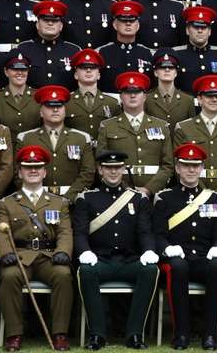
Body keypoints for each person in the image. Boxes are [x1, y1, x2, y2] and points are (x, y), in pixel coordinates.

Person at [74, 150, 160, 350]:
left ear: (123, 169)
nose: (113, 172)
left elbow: (145, 231)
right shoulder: (86, 198)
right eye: (108, 168)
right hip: (100, 260)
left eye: (117, 168)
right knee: (85, 271)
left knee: (150, 270)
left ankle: (134, 335)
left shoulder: (138, 199)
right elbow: (80, 233)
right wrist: (84, 251)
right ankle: (97, 335)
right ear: (100, 170)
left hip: (129, 260)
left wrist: (149, 250)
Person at [0, 145, 73, 352]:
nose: (33, 170)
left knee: (63, 275)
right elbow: (1, 233)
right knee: (9, 276)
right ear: (20, 173)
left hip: (49, 256)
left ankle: (60, 334)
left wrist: (63, 252)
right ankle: (14, 334)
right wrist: (6, 254)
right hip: (20, 256)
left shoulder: (59, 202)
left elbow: (65, 232)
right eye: (27, 167)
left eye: (37, 167)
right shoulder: (6, 203)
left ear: (44, 172)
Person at [152, 143, 217, 351]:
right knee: (178, 267)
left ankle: (210, 334)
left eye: (196, 165)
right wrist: (167, 249)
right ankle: (181, 334)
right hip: (178, 258)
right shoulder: (165, 198)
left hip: (204, 258)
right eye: (186, 165)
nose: (191, 170)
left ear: (202, 168)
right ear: (177, 168)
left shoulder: (212, 198)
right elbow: (158, 234)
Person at [174, 74, 217, 222]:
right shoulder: (184, 128)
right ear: (199, 99)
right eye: (209, 96)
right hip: (193, 197)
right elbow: (179, 164)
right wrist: (204, 195)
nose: (214, 99)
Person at [96, 71, 174, 195]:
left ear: (145, 97)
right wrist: (127, 191)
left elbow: (168, 165)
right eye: (127, 92)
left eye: (137, 92)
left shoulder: (161, 126)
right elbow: (101, 163)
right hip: (119, 194)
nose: (132, 95)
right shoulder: (107, 126)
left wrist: (149, 189)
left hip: (155, 194)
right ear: (121, 97)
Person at [16, 85, 95, 202]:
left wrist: (69, 197)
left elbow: (88, 173)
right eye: (50, 106)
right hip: (36, 201)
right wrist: (36, 196)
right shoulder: (26, 138)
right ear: (41, 112)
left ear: (65, 110)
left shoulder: (81, 138)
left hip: (72, 200)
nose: (55, 110)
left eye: (59, 106)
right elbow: (17, 173)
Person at [15, 0, 81, 89]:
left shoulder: (74, 51)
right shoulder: (23, 49)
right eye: (46, 20)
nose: (50, 23)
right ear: (37, 25)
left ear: (61, 26)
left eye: (55, 21)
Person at [95, 0, 153, 93]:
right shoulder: (102, 53)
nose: (128, 23)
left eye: (132, 20)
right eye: (123, 20)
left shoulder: (148, 54)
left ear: (138, 26)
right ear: (115, 25)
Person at [64, 49, 120, 140]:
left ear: (99, 75)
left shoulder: (112, 103)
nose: (88, 70)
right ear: (76, 75)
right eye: (83, 67)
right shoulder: (66, 102)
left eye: (93, 67)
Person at [0, 53, 41, 143]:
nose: (20, 73)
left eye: (23, 69)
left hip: (33, 148)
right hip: (5, 148)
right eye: (15, 69)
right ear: (6, 71)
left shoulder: (38, 96)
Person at [171, 5, 217, 93]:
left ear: (210, 31)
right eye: (196, 27)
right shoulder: (176, 54)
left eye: (204, 27)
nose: (200, 31)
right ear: (187, 30)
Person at [144, 52, 195, 130]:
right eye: (162, 67)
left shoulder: (188, 100)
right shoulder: (146, 99)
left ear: (176, 73)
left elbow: (191, 129)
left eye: (171, 67)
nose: (167, 70)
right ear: (155, 73)